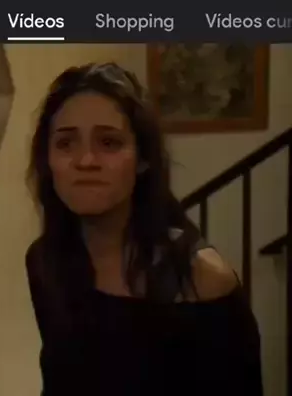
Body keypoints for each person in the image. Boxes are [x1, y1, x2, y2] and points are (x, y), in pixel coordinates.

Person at [25, 63, 262, 396]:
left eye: (109, 142)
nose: (86, 161)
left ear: (143, 160)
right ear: (48, 161)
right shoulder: (45, 261)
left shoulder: (201, 279)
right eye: (66, 144)